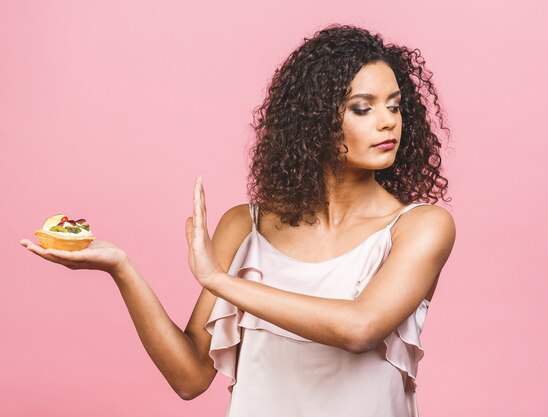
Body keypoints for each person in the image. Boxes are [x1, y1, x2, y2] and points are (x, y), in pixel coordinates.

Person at [20, 24, 456, 417]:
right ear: (315, 120)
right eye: (363, 108)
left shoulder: (419, 227)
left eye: (395, 107)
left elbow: (359, 328)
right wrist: (121, 268)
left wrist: (219, 280)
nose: (388, 123)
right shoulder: (244, 227)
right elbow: (190, 378)